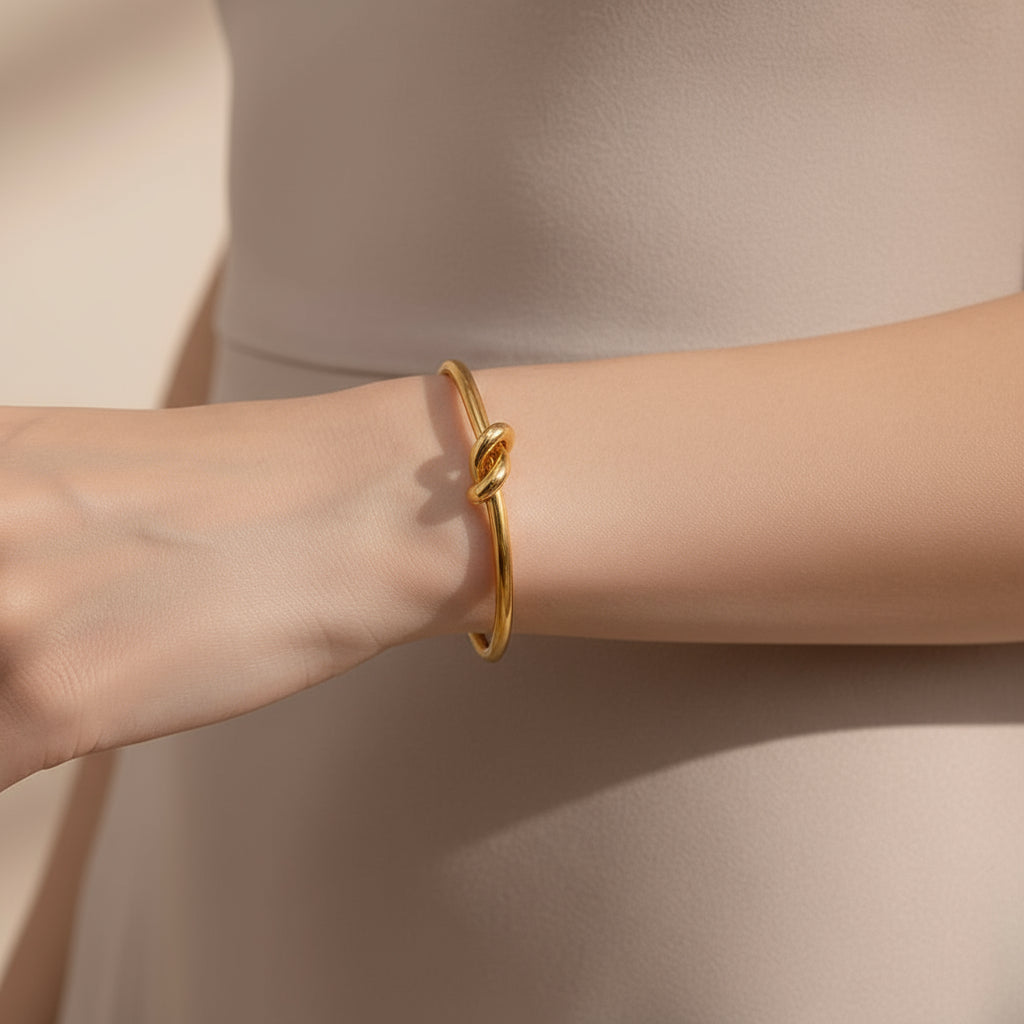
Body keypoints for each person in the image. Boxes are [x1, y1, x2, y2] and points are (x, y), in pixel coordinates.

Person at [2, 1, 1024, 1020]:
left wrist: (377, 498)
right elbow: (361, 184)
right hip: (205, 828)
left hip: (766, 858)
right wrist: (56, 938)